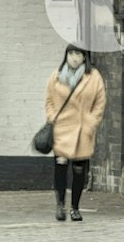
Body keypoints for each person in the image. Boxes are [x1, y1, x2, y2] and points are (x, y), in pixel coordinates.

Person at [46, 44, 107, 222]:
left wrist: (91, 122)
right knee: (61, 167)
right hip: (62, 128)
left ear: (84, 57)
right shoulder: (56, 76)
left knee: (79, 170)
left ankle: (75, 207)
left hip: (82, 129)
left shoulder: (93, 77)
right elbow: (49, 100)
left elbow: (100, 102)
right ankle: (60, 205)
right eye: (71, 53)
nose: (74, 57)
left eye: (78, 54)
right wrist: (52, 118)